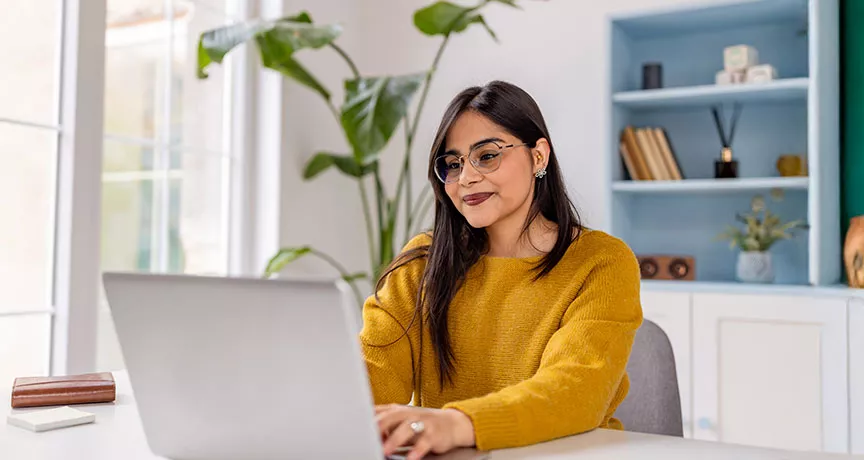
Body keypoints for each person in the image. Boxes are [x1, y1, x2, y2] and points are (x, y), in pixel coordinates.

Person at [360, 80, 643, 459]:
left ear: (539, 156)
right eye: (453, 163)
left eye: (487, 155)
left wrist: (460, 424)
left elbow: (575, 390)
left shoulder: (601, 262)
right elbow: (370, 375)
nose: (467, 178)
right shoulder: (422, 261)